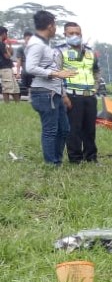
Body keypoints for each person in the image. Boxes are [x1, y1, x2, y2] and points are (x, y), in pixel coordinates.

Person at [25, 11, 77, 166]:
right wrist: (55, 73)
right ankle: (51, 163)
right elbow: (30, 67)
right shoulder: (36, 44)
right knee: (50, 130)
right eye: (55, 25)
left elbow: (54, 70)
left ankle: (57, 160)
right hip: (44, 93)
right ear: (50, 26)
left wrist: (63, 93)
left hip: (54, 93)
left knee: (64, 129)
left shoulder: (44, 44)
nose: (55, 29)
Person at [57, 22, 101, 164]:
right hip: (72, 95)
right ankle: (75, 159)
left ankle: (91, 157)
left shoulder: (89, 52)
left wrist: (95, 87)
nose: (75, 36)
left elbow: (96, 70)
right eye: (71, 33)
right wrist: (63, 95)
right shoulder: (59, 51)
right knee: (74, 129)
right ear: (65, 34)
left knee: (90, 129)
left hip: (89, 95)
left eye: (77, 33)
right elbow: (56, 74)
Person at [0, 27, 19, 103]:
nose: (7, 35)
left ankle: (18, 104)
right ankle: (7, 104)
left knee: (15, 87)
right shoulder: (1, 44)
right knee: (7, 88)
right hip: (4, 68)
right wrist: (8, 49)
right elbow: (8, 56)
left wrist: (9, 46)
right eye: (6, 33)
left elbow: (10, 53)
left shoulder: (3, 44)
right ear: (3, 33)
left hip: (7, 68)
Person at [15, 31, 32, 95]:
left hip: (33, 71)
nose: (29, 40)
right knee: (24, 87)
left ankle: (30, 98)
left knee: (32, 86)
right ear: (24, 39)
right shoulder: (21, 48)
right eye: (28, 39)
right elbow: (18, 60)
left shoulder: (35, 48)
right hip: (25, 71)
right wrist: (18, 72)